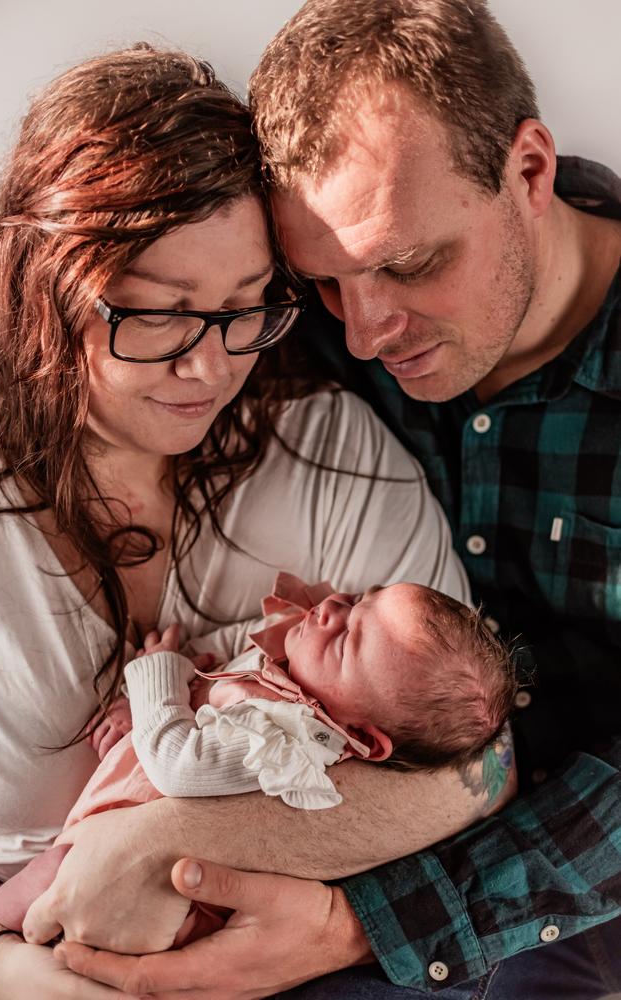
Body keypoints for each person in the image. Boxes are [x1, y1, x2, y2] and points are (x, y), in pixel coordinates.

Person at [47, 1, 621, 998]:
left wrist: (363, 925)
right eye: (322, 282)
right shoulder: (304, 333)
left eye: (407, 264)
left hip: (553, 886)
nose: (363, 334)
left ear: (527, 170)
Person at [0, 39, 512, 1000]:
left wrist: (168, 837)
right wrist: (0, 967)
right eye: (161, 315)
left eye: (244, 309)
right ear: (42, 286)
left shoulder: (330, 453)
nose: (210, 367)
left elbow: (470, 765)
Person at [0, 575, 517, 936]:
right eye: (358, 601)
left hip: (144, 862)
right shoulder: (302, 671)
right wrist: (142, 704)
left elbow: (175, 763)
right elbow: (221, 665)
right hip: (134, 776)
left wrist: (155, 674)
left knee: (49, 880)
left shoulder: (286, 739)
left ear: (362, 737)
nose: (329, 610)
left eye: (347, 639)